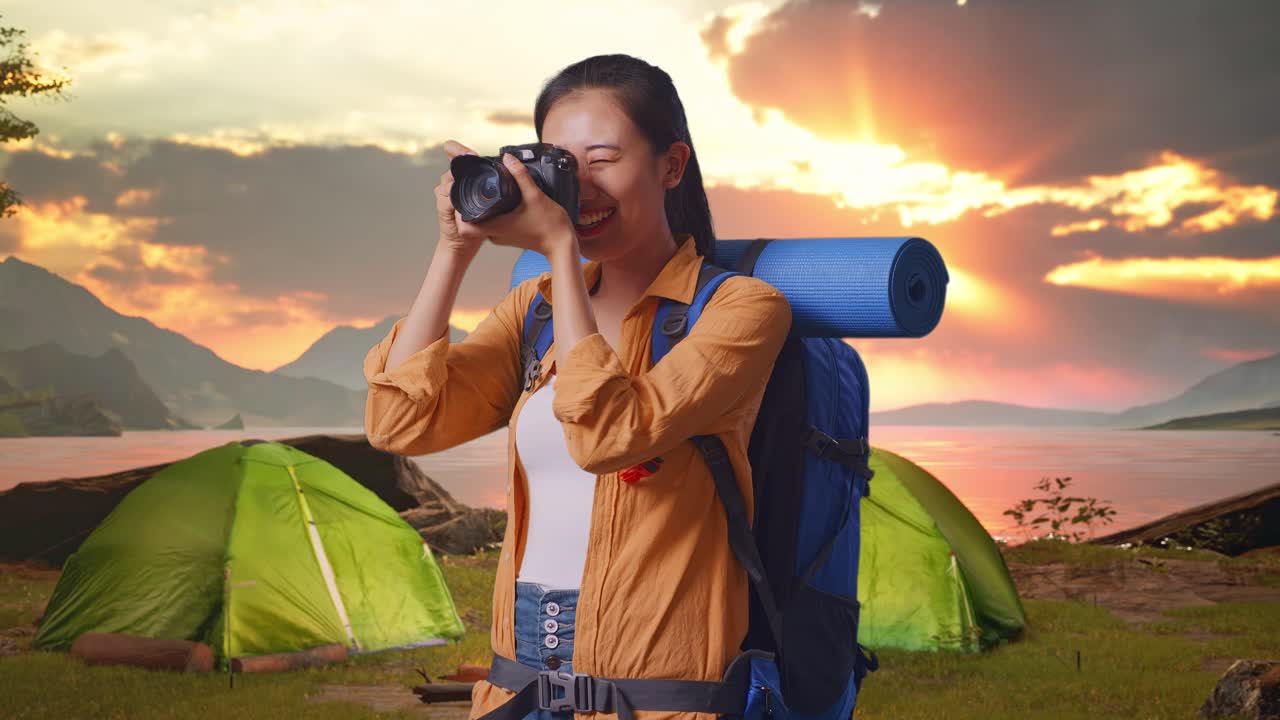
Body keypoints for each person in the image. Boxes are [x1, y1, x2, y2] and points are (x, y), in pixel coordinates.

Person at [363, 53, 792, 720]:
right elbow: (400, 424)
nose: (580, 188)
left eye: (603, 159)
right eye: (558, 164)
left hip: (658, 689)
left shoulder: (740, 310)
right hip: (519, 682)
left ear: (671, 165)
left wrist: (560, 249)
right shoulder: (533, 312)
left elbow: (609, 436)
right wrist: (454, 250)